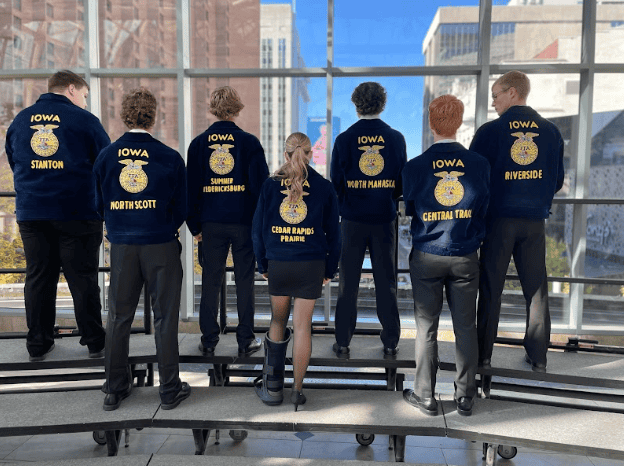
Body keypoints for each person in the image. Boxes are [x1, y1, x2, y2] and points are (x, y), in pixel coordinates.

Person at [94, 88, 190, 411]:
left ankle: (114, 389)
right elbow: (182, 208)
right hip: (161, 245)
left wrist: (118, 226)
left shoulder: (106, 158)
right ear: (154, 116)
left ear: (124, 115)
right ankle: (170, 390)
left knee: (119, 318)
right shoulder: (169, 158)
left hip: (122, 247)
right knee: (165, 319)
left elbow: (99, 205)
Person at [5, 70, 109, 362]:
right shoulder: (85, 121)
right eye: (85, 96)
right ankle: (93, 341)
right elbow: (105, 163)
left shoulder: (21, 120)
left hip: (33, 211)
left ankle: (38, 343)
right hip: (77, 211)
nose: (86, 103)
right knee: (82, 278)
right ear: (72, 89)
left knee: (38, 277)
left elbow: (14, 160)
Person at [470, 70, 565, 373]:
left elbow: (473, 178)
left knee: (490, 288)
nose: (494, 102)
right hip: (535, 221)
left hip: (498, 221)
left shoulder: (488, 132)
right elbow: (558, 179)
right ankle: (538, 357)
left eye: (496, 95)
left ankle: (484, 355)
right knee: (535, 289)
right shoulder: (551, 132)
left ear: (512, 92)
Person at [401, 95, 490, 417]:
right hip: (466, 254)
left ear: (430, 122)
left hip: (427, 253)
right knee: (465, 326)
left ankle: (425, 395)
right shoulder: (480, 165)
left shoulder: (415, 167)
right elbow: (484, 208)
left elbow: (410, 207)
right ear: (461, 122)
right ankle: (466, 396)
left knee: (426, 327)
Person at [252, 132, 340, 411]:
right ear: (310, 154)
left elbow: (257, 231)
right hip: (311, 265)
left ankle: (273, 387)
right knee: (303, 328)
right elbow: (335, 235)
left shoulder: (269, 186)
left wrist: (262, 264)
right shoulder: (324, 187)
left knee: (278, 322)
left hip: (279, 263)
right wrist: (329, 269)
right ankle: (297, 391)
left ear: (286, 154)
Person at [187, 86, 269, 357]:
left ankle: (209, 340)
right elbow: (261, 190)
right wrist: (259, 228)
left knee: (211, 280)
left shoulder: (198, 144)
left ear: (213, 109)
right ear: (237, 108)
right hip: (244, 223)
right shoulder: (249, 143)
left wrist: (194, 226)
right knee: (245, 281)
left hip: (210, 224)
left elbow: (191, 189)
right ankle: (245, 340)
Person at [330, 82, 406, 359]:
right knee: (386, 282)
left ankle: (343, 342)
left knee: (347, 283)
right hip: (384, 219)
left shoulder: (344, 140)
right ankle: (390, 342)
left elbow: (335, 183)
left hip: (351, 220)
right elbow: (401, 184)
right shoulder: (396, 138)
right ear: (382, 104)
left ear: (356, 104)